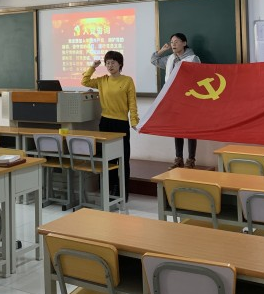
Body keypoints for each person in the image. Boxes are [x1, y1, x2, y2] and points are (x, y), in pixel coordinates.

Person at [82, 51, 138, 200]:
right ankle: (109, 190)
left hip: (121, 123)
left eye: (113, 62)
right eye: (107, 63)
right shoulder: (102, 80)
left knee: (123, 158)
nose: (110, 65)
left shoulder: (127, 81)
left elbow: (132, 102)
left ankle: (122, 192)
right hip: (105, 122)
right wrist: (93, 67)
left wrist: (134, 120)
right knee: (107, 159)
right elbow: (85, 81)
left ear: (120, 64)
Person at [150, 33, 201, 168]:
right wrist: (162, 50)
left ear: (184, 43)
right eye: (172, 42)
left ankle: (191, 160)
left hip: (189, 99)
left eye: (177, 41)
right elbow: (154, 60)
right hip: (173, 99)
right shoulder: (170, 59)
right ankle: (179, 158)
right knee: (177, 129)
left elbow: (199, 78)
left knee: (190, 129)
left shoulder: (193, 59)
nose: (173, 44)